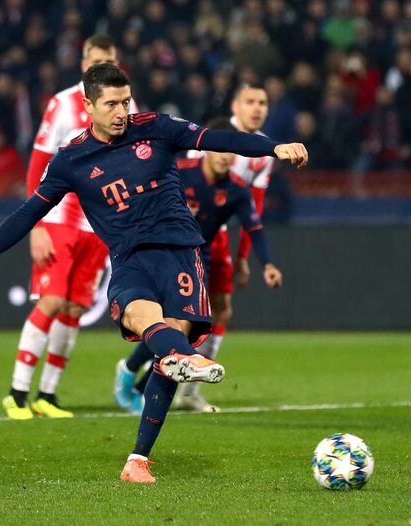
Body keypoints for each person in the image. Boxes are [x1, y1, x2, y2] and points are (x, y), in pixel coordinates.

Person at [0, 64, 307, 483]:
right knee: (142, 319)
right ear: (88, 104)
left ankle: (137, 459)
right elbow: (25, 217)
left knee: (167, 350)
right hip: (130, 259)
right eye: (111, 103)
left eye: (125, 101)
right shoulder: (71, 160)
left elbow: (217, 138)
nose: (121, 112)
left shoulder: (156, 128)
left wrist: (274, 147)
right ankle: (183, 358)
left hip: (182, 254)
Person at [2, 34, 138, 420]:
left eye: (108, 59)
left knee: (76, 307)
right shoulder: (62, 104)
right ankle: (16, 393)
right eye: (95, 60)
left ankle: (47, 395)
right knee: (52, 301)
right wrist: (37, 224)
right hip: (59, 217)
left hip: (98, 225)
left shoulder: (128, 107)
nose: (101, 66)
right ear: (83, 64)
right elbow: (36, 165)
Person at [114, 117, 284, 415]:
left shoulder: (236, 190)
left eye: (228, 153)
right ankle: (133, 374)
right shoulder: (180, 173)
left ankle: (140, 380)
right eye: (218, 151)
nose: (223, 157)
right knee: (169, 320)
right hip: (163, 251)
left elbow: (253, 228)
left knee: (185, 324)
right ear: (206, 151)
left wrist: (267, 263)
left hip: (197, 256)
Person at [176, 82, 276, 412]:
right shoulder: (213, 136)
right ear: (235, 106)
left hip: (218, 232)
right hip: (189, 233)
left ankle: (190, 391)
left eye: (263, 102)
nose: (257, 108)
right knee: (184, 314)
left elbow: (254, 212)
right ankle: (137, 371)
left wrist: (244, 257)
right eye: (250, 101)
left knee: (221, 308)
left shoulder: (263, 151)